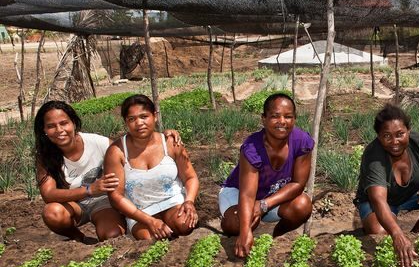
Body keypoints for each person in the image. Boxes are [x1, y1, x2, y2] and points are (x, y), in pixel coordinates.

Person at [354, 103, 419, 267]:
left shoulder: (418, 142)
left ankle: (415, 234)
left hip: (409, 196)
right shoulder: (374, 156)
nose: (395, 142)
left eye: (400, 134)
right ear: (379, 137)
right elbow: (379, 200)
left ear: (408, 130)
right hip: (376, 203)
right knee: (379, 233)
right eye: (387, 136)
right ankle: (401, 235)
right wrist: (397, 235)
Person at [220, 93, 314, 257]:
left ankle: (274, 235)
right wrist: (245, 232)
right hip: (239, 193)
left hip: (271, 195)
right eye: (275, 116)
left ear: (295, 119)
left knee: (302, 205)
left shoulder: (301, 141)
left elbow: (298, 184)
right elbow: (247, 194)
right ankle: (243, 232)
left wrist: (263, 204)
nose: (282, 122)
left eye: (288, 116)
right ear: (263, 119)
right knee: (236, 224)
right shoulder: (252, 148)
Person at [104, 94, 199, 240]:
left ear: (154, 116)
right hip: (140, 210)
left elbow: (190, 177)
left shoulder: (170, 143)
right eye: (132, 119)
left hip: (172, 201)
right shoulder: (117, 152)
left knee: (185, 225)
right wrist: (150, 221)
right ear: (126, 122)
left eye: (144, 116)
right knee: (150, 239)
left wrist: (189, 201)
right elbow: (116, 197)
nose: (139, 123)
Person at [34, 101, 125, 243]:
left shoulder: (97, 143)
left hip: (104, 202)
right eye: (51, 126)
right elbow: (48, 194)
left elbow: (130, 154)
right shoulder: (45, 156)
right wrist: (89, 189)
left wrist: (164, 138)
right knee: (53, 213)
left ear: (73, 123)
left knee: (111, 235)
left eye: (64, 123)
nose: (59, 130)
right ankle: (78, 238)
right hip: (74, 205)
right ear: (44, 130)